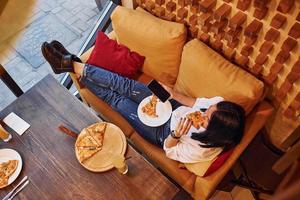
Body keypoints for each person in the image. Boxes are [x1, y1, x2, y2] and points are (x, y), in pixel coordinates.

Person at [41, 41, 246, 163]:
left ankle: (69, 64)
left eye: (206, 119)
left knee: (117, 100)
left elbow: (170, 150)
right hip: (173, 106)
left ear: (212, 132)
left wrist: (176, 134)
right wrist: (172, 94)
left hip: (163, 133)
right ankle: (71, 64)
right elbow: (193, 103)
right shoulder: (219, 105)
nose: (202, 114)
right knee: (123, 84)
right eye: (208, 110)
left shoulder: (202, 149)